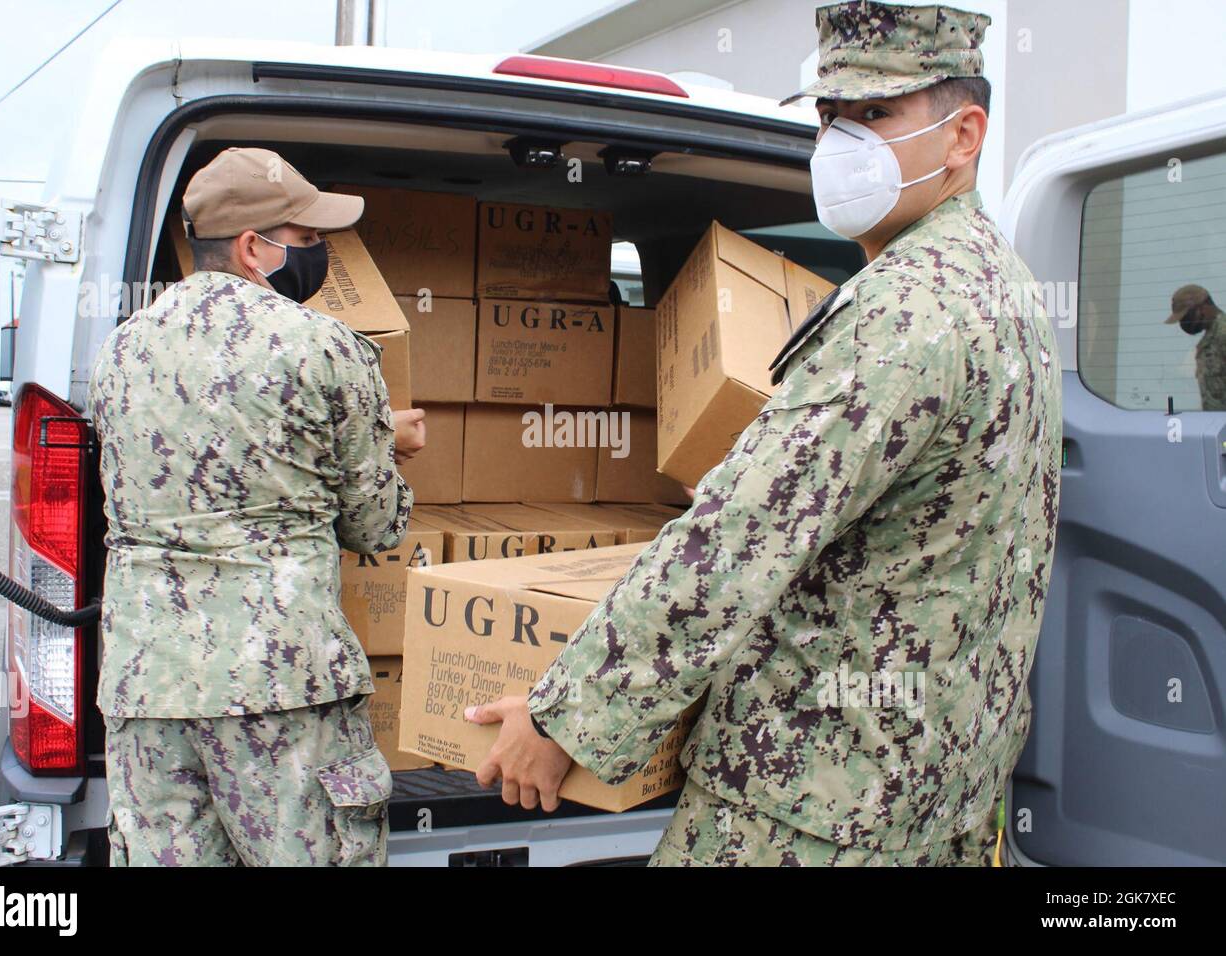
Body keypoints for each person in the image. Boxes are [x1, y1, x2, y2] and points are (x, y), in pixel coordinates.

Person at [465, 0, 1062, 867]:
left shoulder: (905, 308)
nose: (840, 143)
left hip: (813, 799)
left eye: (876, 114)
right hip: (944, 791)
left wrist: (566, 721)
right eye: (829, 117)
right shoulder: (1002, 284)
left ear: (963, 134)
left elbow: (737, 540)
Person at [88, 146, 425, 866]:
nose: (321, 255)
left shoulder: (119, 349)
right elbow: (378, 526)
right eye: (307, 241)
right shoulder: (326, 348)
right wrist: (384, 442)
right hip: (279, 690)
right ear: (253, 249)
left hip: (145, 692)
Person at [1166, 284, 1226, 411]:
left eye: (1186, 316)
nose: (1184, 323)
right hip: (1213, 424)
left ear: (1203, 307)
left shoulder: (1223, 334)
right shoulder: (1209, 339)